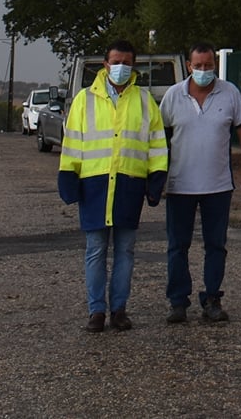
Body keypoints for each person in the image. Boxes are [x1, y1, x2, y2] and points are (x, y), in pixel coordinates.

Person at [57, 39, 168, 332]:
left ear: (134, 65)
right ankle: (96, 311)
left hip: (129, 186)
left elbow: (157, 143)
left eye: (126, 62)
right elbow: (72, 141)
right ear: (105, 65)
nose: (120, 67)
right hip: (94, 187)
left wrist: (156, 177)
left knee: (125, 251)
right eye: (115, 62)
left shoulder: (144, 101)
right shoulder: (85, 99)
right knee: (95, 250)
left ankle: (119, 310)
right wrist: (68, 176)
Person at [158, 42, 241, 324]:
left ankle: (212, 299)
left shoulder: (230, 93)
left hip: (218, 186)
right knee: (177, 246)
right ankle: (178, 302)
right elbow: (158, 136)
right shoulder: (173, 96)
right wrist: (157, 174)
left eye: (209, 65)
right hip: (180, 185)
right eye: (198, 65)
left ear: (215, 64)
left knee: (216, 245)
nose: (204, 70)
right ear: (189, 66)